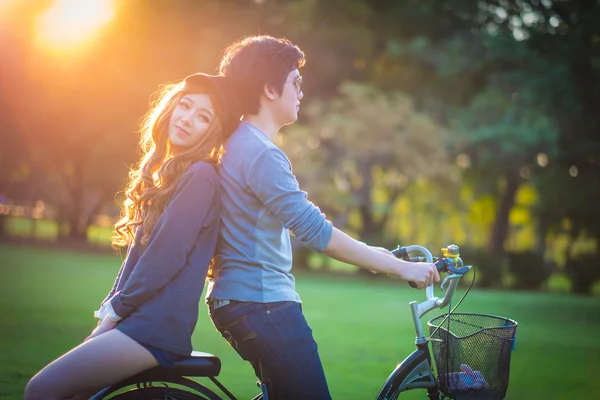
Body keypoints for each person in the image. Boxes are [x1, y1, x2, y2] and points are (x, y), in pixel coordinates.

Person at [206, 35, 440, 400]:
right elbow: (316, 232)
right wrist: (402, 269)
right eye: (295, 84)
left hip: (237, 302)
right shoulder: (261, 153)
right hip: (262, 305)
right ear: (270, 89)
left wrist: (383, 258)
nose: (301, 93)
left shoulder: (237, 143)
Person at [24, 72, 239, 400]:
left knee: (41, 390)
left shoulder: (201, 175)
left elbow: (166, 256)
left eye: (203, 117)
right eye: (186, 106)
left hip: (155, 328)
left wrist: (120, 307)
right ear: (172, 107)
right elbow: (136, 261)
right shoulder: (169, 176)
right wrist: (111, 308)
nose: (187, 119)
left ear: (213, 131)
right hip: (136, 321)